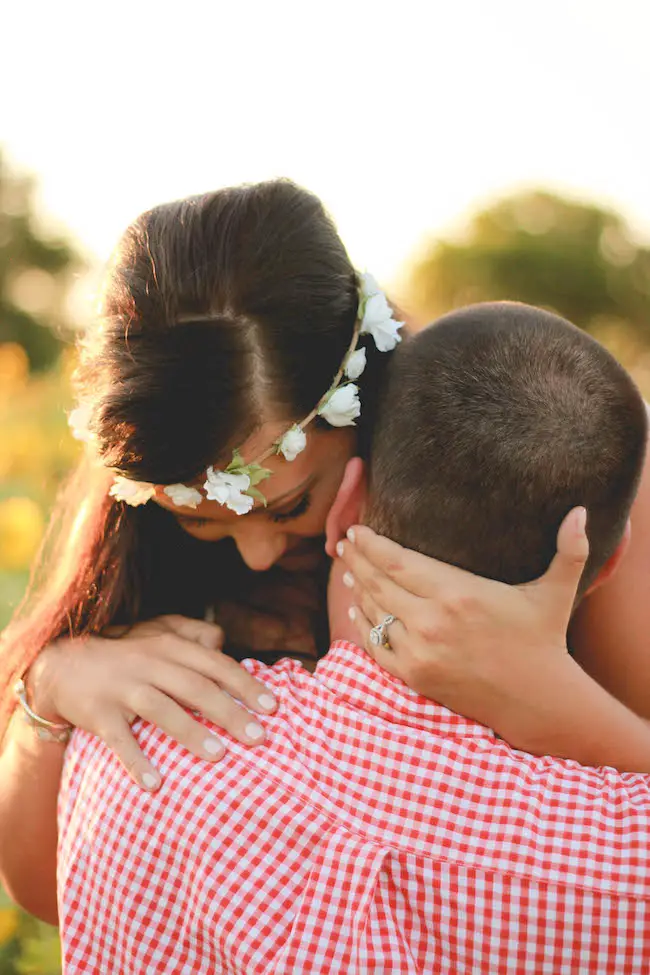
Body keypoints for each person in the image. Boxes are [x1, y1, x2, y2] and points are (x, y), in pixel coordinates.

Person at [2, 182, 650, 923]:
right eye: (205, 525)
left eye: (289, 505)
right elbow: (43, 889)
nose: (254, 556)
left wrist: (549, 699)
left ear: (365, 398)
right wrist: (51, 685)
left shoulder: (553, 468)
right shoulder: (152, 493)